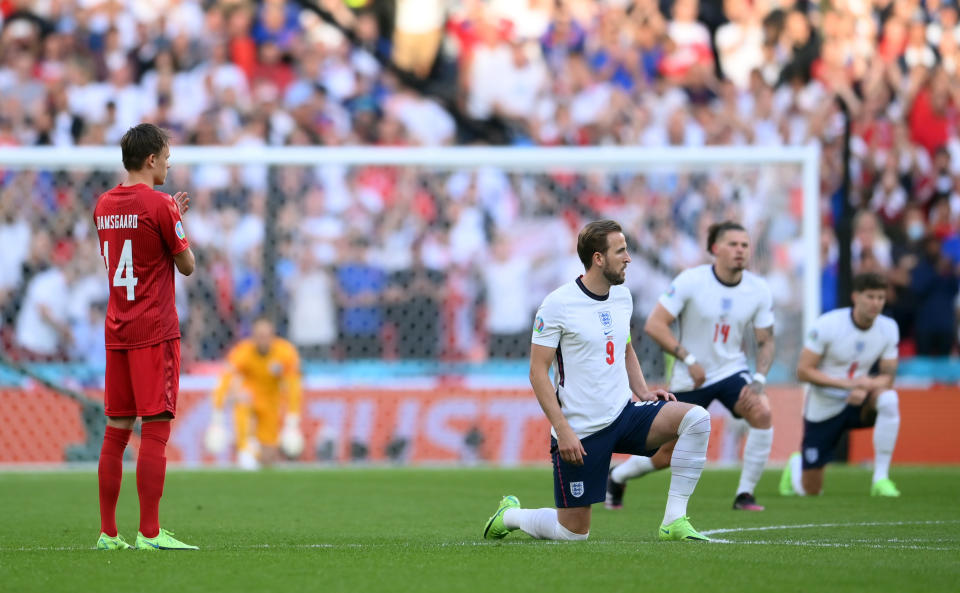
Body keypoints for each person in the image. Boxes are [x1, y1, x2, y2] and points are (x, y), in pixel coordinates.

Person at [482, 220, 712, 542]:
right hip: (582, 430)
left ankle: (673, 521)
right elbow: (537, 372)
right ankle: (511, 515)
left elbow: (625, 346)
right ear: (598, 258)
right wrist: (563, 430)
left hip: (624, 414)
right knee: (573, 533)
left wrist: (643, 391)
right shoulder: (557, 304)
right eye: (621, 251)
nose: (629, 258)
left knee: (697, 419)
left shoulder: (623, 297)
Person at [606, 221, 776, 511]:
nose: (740, 251)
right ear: (715, 249)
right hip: (691, 376)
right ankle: (618, 476)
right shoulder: (691, 281)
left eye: (745, 245)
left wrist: (759, 378)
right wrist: (689, 359)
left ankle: (744, 494)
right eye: (733, 244)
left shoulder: (758, 289)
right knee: (665, 455)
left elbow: (766, 340)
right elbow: (655, 325)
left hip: (731, 371)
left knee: (761, 412)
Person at [94, 123, 198, 551]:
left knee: (116, 429)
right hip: (154, 330)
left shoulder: (103, 205)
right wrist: (172, 217)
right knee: (155, 428)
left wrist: (166, 213)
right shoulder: (160, 207)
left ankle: (107, 533)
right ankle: (151, 533)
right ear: (151, 159)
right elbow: (187, 265)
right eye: (167, 155)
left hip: (118, 327)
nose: (170, 162)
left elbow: (133, 241)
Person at [780, 273, 901, 498]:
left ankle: (881, 479)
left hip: (859, 401)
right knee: (811, 491)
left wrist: (865, 386)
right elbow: (803, 371)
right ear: (856, 297)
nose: (876, 303)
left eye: (881, 298)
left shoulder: (889, 327)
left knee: (888, 399)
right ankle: (797, 465)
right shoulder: (828, 324)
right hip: (823, 406)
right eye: (870, 297)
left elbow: (888, 377)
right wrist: (849, 385)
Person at [206, 317, 303, 470]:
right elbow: (225, 381)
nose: (262, 340)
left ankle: (252, 449)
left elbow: (293, 387)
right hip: (248, 398)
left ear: (273, 336)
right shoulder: (243, 352)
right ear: (253, 336)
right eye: (259, 336)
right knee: (242, 399)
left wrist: (292, 421)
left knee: (267, 458)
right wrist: (217, 418)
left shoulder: (285, 353)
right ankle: (244, 446)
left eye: (266, 336)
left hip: (271, 403)